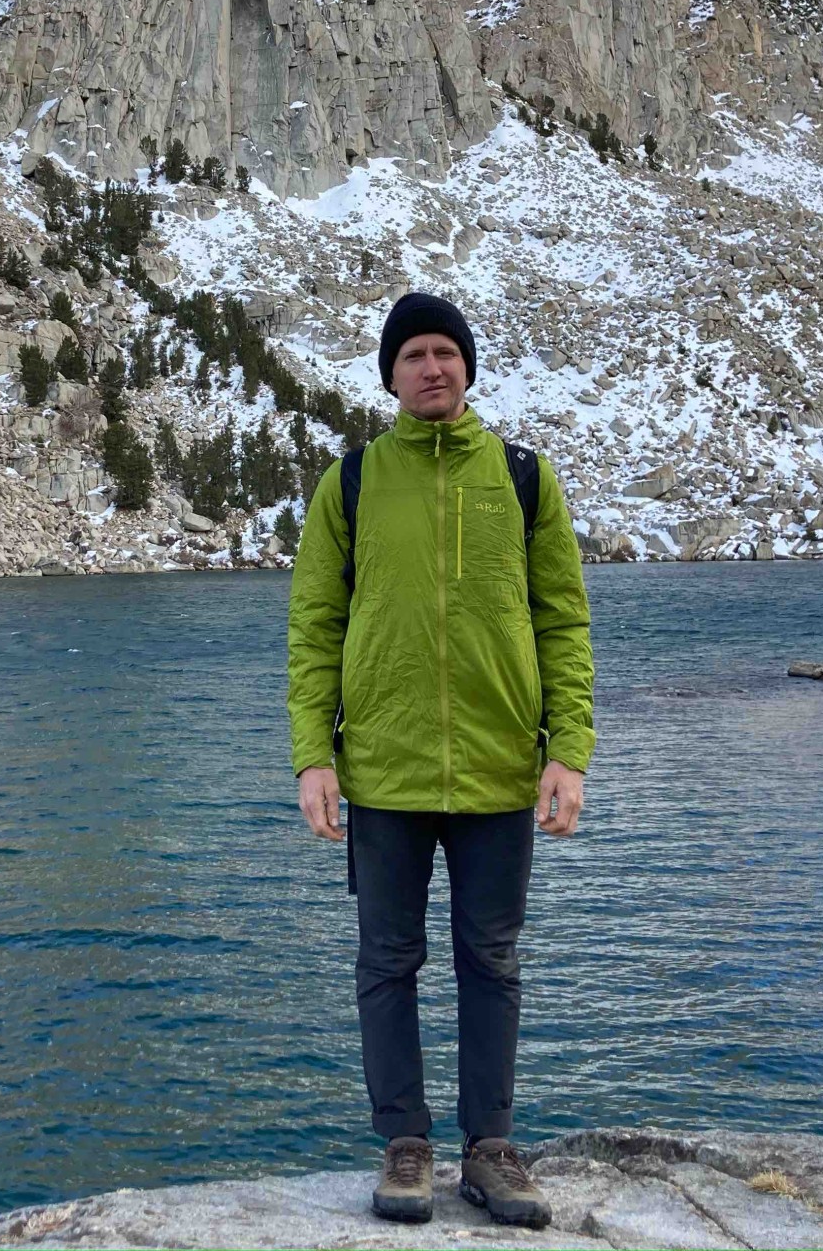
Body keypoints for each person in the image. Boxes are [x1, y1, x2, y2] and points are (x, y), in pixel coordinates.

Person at [286, 291, 596, 1229]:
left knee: (492, 960)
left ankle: (490, 1149)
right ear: (390, 375)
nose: (432, 367)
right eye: (414, 354)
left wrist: (568, 752)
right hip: (385, 771)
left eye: (446, 352)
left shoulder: (523, 478)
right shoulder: (349, 484)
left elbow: (563, 623)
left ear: (467, 367)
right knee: (387, 960)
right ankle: (406, 1144)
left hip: (501, 769)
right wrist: (313, 757)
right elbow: (314, 628)